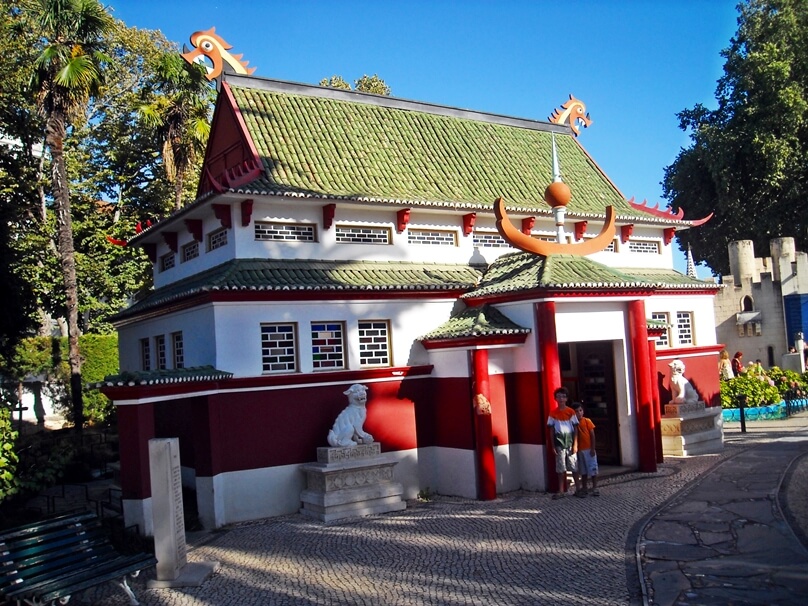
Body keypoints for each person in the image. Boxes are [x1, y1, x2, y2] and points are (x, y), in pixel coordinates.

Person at [546, 387, 581, 499]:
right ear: (555, 398)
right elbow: (551, 430)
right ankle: (561, 490)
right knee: (560, 468)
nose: (561, 398)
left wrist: (575, 443)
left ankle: (578, 489)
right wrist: (553, 445)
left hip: (570, 441)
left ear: (566, 398)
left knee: (574, 466)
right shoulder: (553, 413)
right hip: (559, 442)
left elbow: (575, 428)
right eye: (559, 396)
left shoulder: (570, 412)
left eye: (563, 396)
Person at [573, 403, 599, 497]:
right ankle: (584, 487)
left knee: (593, 468)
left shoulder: (587, 421)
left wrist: (593, 448)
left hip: (589, 449)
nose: (579, 413)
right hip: (579, 450)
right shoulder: (573, 424)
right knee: (583, 470)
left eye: (580, 410)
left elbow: (592, 435)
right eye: (576, 411)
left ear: (583, 411)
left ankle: (595, 487)